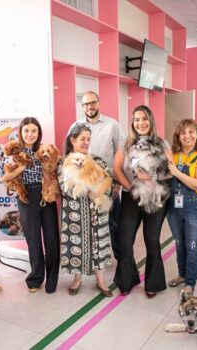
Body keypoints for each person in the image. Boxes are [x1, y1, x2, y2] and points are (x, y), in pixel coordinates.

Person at [113, 105, 172, 298]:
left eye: (144, 118)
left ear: (151, 120)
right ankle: (126, 280)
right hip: (132, 196)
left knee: (152, 240)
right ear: (132, 122)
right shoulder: (126, 143)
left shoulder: (162, 143)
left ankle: (152, 283)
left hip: (155, 196)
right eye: (137, 119)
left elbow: (171, 171)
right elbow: (117, 169)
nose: (141, 123)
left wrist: (152, 176)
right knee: (124, 239)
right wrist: (130, 187)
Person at [0, 117, 59, 294]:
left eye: (34, 131)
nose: (30, 134)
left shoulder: (44, 150)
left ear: (38, 133)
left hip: (46, 195)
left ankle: (52, 279)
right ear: (21, 133)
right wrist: (21, 168)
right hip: (26, 196)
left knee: (51, 238)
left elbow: (55, 169)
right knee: (33, 239)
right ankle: (35, 278)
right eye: (26, 131)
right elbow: (3, 177)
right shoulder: (13, 153)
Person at [69, 91, 124, 260]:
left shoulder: (112, 125)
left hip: (107, 184)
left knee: (114, 224)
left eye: (93, 103)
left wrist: (118, 183)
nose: (89, 107)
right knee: (88, 225)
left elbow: (120, 153)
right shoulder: (75, 126)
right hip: (84, 186)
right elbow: (69, 154)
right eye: (86, 104)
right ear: (82, 106)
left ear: (99, 103)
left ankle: (121, 260)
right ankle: (92, 259)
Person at [59, 124, 113, 297]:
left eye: (88, 139)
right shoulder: (64, 162)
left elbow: (108, 184)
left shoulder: (98, 160)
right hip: (75, 211)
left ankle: (101, 280)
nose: (86, 142)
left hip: (96, 210)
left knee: (99, 242)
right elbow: (63, 187)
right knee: (76, 242)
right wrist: (83, 187)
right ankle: (77, 279)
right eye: (82, 139)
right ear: (73, 140)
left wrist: (96, 192)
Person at [166, 119, 197, 295]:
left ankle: (190, 283)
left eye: (191, 132)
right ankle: (182, 274)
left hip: (195, 206)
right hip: (175, 205)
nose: (187, 136)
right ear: (178, 136)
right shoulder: (173, 154)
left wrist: (176, 172)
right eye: (183, 132)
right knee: (179, 243)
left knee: (192, 245)